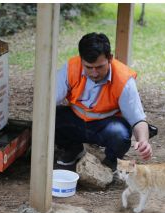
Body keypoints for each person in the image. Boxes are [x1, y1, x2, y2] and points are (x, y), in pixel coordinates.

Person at [55, 32, 155, 171]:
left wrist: (143, 141)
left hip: (106, 126)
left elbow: (138, 120)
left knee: (120, 134)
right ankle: (72, 149)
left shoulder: (124, 80)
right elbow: (47, 102)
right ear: (81, 59)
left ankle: (109, 163)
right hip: (75, 120)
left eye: (100, 67)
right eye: (89, 67)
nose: (94, 73)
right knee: (52, 117)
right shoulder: (71, 67)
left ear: (110, 58)